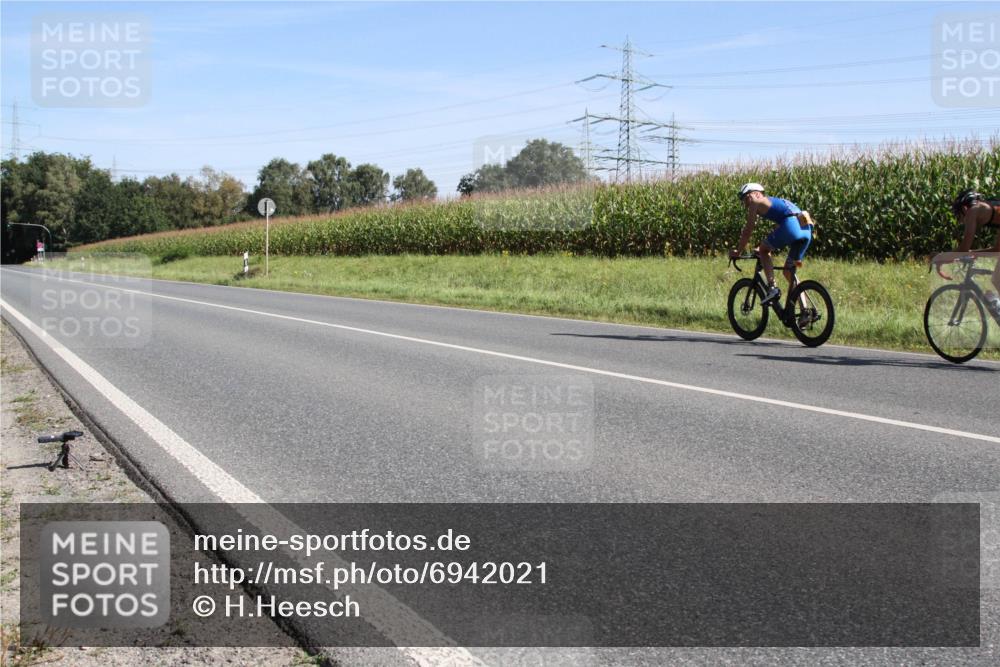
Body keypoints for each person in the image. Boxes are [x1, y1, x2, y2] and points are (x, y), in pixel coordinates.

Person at [729, 183, 816, 305]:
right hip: (806, 229)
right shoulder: (777, 202)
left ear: (756, 193)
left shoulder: (755, 201)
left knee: (764, 251)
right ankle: (805, 311)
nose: (746, 203)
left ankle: (772, 288)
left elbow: (748, 230)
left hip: (792, 225)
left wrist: (738, 251)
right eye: (744, 201)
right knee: (788, 271)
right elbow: (784, 224)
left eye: (746, 198)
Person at [948, 189, 1000, 316]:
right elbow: (997, 250)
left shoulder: (973, 211)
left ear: (964, 208)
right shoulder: (990, 210)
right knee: (996, 280)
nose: (961, 221)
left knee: (997, 280)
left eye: (959, 216)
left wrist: (940, 257)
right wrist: (974, 253)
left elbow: (964, 247)